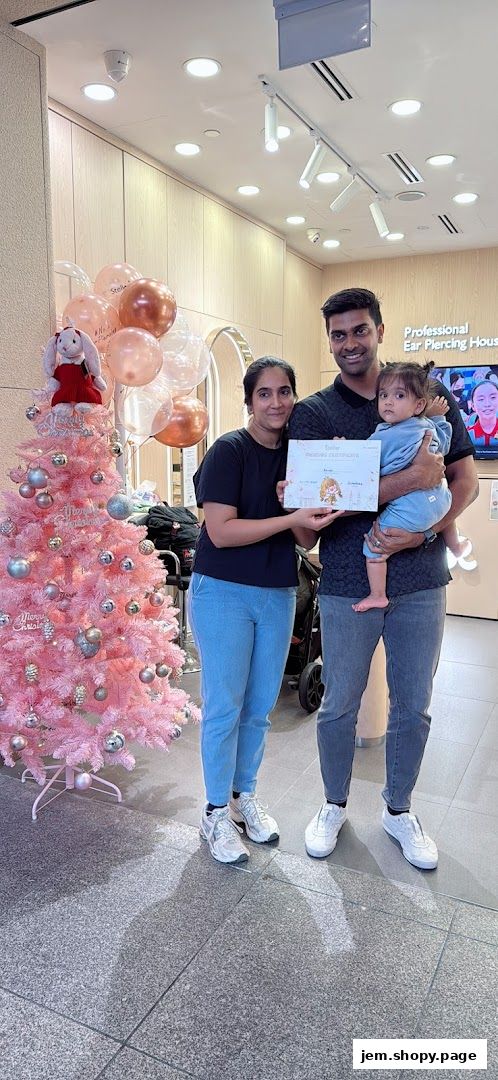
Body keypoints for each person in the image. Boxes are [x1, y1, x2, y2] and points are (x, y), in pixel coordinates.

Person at [288, 288, 478, 870]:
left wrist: (423, 532)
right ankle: (333, 804)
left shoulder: (430, 397)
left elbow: (463, 484)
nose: (350, 343)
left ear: (379, 330)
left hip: (421, 580)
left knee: (413, 706)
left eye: (360, 330)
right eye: (339, 334)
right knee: (339, 703)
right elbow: (317, 512)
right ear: (330, 340)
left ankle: (399, 811)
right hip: (347, 582)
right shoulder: (316, 413)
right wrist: (410, 478)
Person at [188, 357, 341, 866]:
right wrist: (287, 516)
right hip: (224, 592)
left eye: (285, 392)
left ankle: (242, 796)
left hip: (277, 593)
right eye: (265, 394)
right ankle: (213, 811)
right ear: (249, 400)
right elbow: (220, 532)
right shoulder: (229, 450)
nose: (276, 403)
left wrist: (298, 506)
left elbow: (306, 534)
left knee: (259, 709)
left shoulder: (300, 458)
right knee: (224, 707)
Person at [354, 362, 470, 613]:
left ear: (418, 405)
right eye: (383, 395)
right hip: (441, 499)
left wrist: (343, 448)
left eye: (399, 396)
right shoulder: (426, 425)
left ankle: (377, 594)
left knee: (374, 546)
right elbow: (446, 445)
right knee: (442, 505)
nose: (388, 402)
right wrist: (438, 417)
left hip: (412, 508)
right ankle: (456, 545)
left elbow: (363, 467)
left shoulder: (385, 437)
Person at [465, 380, 498, 448]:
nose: (487, 404)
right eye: (481, 399)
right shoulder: (466, 435)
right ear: (473, 406)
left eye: (493, 398)